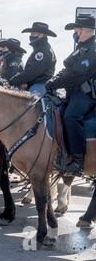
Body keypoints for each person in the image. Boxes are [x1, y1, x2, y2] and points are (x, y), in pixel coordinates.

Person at [45, 14, 96, 177]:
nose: (74, 32)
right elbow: (66, 69)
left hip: (86, 94)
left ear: (83, 30)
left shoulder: (93, 49)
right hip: (73, 92)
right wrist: (53, 80)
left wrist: (55, 83)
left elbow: (77, 74)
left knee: (71, 117)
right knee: (56, 113)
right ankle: (61, 154)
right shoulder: (80, 48)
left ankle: (78, 161)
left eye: (75, 29)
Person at [9, 22, 57, 97]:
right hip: (37, 83)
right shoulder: (41, 49)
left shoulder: (42, 51)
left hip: (40, 84)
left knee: (30, 104)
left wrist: (13, 81)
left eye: (33, 33)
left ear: (41, 35)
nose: (30, 36)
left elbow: (31, 72)